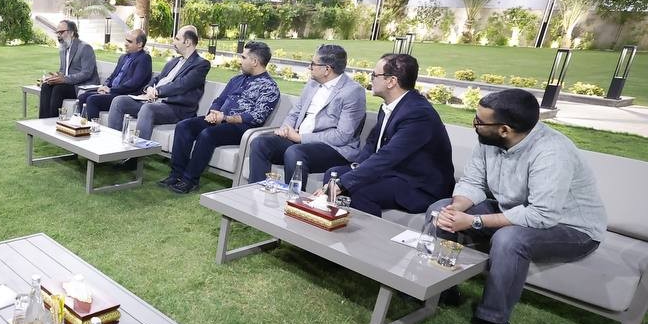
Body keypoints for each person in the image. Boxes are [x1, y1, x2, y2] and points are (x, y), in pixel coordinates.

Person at [428, 89, 607, 324]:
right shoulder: (489, 140)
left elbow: (542, 214)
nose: (474, 124)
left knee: (509, 240)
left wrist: (474, 221)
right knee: (440, 209)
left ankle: (493, 323)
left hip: (572, 228)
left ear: (504, 130)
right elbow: (473, 182)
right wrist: (456, 209)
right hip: (518, 211)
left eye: (479, 121)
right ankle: (442, 289)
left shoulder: (551, 152)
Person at [318, 53, 454, 216]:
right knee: (333, 174)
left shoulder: (418, 114)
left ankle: (366, 232)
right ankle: (331, 221)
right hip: (394, 173)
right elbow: (372, 144)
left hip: (419, 185)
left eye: (374, 75)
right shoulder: (390, 106)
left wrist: (343, 183)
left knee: (360, 191)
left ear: (391, 81)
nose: (371, 79)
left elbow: (388, 156)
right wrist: (354, 168)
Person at [162, 41, 281, 194]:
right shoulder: (237, 79)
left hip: (241, 128)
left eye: (243, 57)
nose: (240, 61)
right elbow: (219, 100)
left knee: (207, 134)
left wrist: (225, 118)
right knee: (184, 126)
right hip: (219, 119)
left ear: (255, 61)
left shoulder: (269, 87)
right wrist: (213, 113)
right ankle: (176, 174)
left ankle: (190, 180)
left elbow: (256, 117)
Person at [245, 43, 366, 185]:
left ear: (327, 69)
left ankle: (293, 198)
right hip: (298, 140)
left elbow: (342, 136)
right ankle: (257, 191)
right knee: (260, 143)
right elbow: (295, 113)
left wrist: (301, 138)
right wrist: (285, 129)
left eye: (313, 64)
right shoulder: (312, 84)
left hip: (333, 149)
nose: (309, 67)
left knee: (295, 153)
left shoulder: (352, 92)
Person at [106, 25, 211, 139]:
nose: (173, 42)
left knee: (147, 109)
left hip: (175, 108)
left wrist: (157, 91)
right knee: (119, 101)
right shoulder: (174, 61)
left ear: (188, 42)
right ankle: (113, 144)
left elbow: (181, 85)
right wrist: (149, 88)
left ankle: (138, 149)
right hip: (152, 101)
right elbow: (158, 79)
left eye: (177, 39)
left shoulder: (201, 64)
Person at [77, 29, 152, 121]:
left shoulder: (144, 59)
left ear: (139, 44)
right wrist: (104, 87)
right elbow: (113, 76)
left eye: (129, 42)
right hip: (112, 92)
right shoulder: (123, 57)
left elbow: (134, 83)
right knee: (83, 97)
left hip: (125, 95)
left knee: (92, 100)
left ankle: (92, 127)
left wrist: (111, 90)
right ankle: (81, 126)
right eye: (126, 40)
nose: (125, 44)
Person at [39, 19, 97, 118]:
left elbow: (86, 73)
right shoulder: (63, 48)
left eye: (61, 32)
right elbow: (63, 71)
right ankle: (43, 122)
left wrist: (64, 79)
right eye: (57, 33)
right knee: (46, 86)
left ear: (72, 33)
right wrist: (56, 77)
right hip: (68, 84)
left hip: (81, 86)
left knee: (59, 88)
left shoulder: (85, 48)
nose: (58, 35)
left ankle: (53, 121)